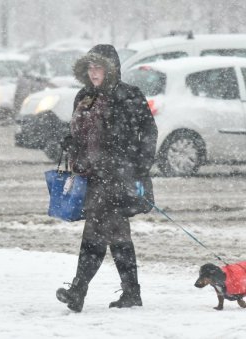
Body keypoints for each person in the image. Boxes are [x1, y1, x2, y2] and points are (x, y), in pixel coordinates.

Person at [55, 44, 158, 312]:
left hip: (117, 175)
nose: (93, 73)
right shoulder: (84, 95)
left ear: (111, 68)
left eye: (98, 67)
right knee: (116, 233)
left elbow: (148, 132)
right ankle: (131, 293)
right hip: (91, 175)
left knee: (96, 230)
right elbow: (81, 131)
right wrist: (71, 142)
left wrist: (140, 165)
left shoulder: (128, 95)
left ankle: (78, 290)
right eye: (90, 67)